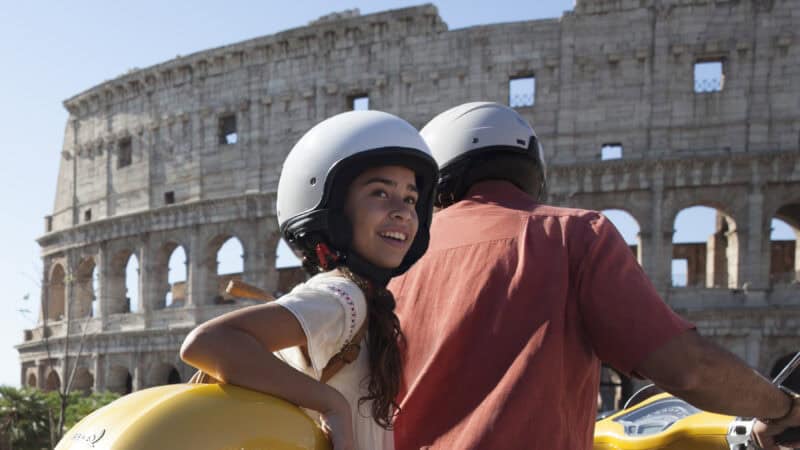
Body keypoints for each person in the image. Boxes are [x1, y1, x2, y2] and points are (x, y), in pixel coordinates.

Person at [388, 102, 800, 450]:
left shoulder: (394, 262)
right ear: (530, 170)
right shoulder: (573, 235)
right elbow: (690, 369)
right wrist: (780, 407)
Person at [180, 110, 438, 450]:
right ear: (333, 211)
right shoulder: (342, 297)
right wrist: (332, 404)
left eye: (410, 199)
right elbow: (209, 342)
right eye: (380, 193)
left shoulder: (358, 296)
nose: (403, 211)